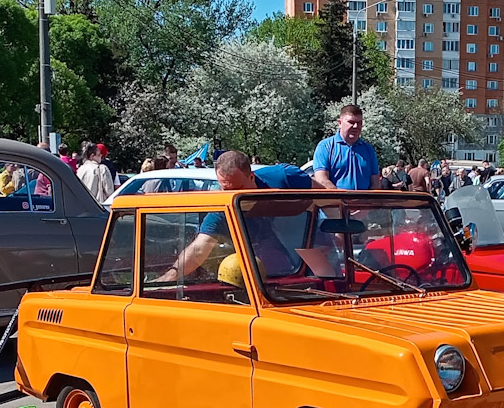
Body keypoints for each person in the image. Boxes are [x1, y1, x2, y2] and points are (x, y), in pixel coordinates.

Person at [158, 151, 313, 282]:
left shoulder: (284, 177)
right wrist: (169, 276)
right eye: (225, 189)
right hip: (278, 275)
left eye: (238, 188)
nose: (231, 195)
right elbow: (199, 249)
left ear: (251, 177)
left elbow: (327, 199)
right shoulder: (222, 210)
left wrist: (335, 235)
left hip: (315, 253)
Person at [312, 104, 380, 190]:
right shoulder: (325, 147)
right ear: (339, 123)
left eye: (359, 123)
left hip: (363, 202)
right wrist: (343, 199)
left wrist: (367, 201)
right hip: (335, 202)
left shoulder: (368, 149)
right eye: (351, 122)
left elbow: (375, 183)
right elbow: (322, 180)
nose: (356, 126)